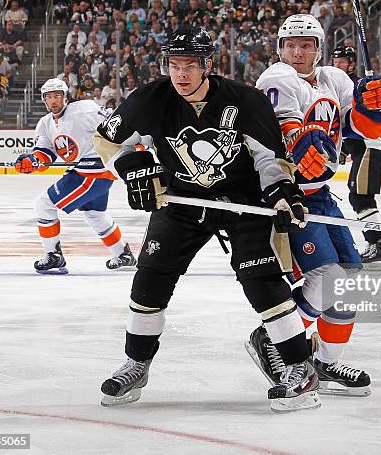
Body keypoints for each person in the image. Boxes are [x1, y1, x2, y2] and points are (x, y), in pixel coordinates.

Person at [93, 28, 320, 412]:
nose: (181, 75)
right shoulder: (151, 98)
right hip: (181, 202)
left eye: (190, 66)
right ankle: (136, 363)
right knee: (150, 278)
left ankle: (300, 369)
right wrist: (133, 166)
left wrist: (283, 191)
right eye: (174, 66)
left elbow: (269, 157)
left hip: (241, 203)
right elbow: (108, 141)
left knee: (262, 282)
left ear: (208, 66)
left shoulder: (245, 100)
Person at [250, 14, 381, 396]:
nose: (297, 52)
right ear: (280, 48)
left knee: (348, 281)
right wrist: (299, 143)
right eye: (290, 45)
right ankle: (273, 338)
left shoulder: (335, 78)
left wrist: (372, 108)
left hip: (322, 195)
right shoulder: (276, 77)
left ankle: (327, 363)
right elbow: (284, 127)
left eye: (306, 44)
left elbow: (364, 129)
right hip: (288, 195)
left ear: (319, 48)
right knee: (326, 279)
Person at [13, 78, 137, 274]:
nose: (53, 101)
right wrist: (33, 161)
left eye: (57, 96)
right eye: (49, 97)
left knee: (44, 204)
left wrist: (133, 143)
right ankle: (123, 254)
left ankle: (53, 256)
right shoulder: (45, 124)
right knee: (95, 215)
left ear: (65, 97)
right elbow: (45, 154)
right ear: (44, 100)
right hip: (88, 171)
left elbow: (115, 124)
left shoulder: (84, 110)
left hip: (94, 169)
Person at [332, 45, 381, 266]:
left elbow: (372, 117)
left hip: (372, 144)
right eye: (335, 61)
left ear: (351, 64)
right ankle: (377, 243)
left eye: (342, 62)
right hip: (365, 147)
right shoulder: (340, 85)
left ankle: (378, 245)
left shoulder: (357, 85)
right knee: (359, 195)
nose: (337, 65)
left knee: (360, 196)